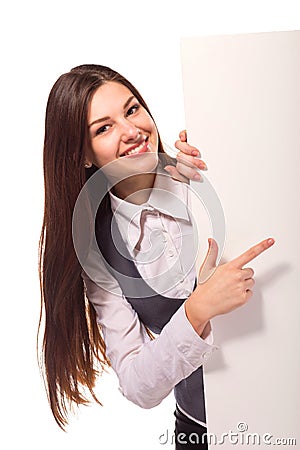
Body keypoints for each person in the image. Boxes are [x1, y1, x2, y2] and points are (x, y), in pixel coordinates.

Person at [38, 64, 275, 449]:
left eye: (132, 110)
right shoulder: (97, 249)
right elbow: (137, 385)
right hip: (203, 432)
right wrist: (197, 310)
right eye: (104, 128)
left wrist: (224, 166)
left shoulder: (201, 168)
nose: (131, 131)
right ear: (82, 154)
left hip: (284, 401)